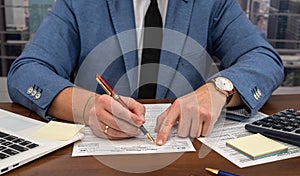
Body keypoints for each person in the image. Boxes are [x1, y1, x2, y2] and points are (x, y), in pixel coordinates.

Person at [7, 0, 284, 146]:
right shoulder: (80, 3)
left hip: (185, 159)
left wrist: (220, 89)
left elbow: (264, 59)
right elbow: (27, 71)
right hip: (98, 170)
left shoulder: (212, 3)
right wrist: (86, 106)